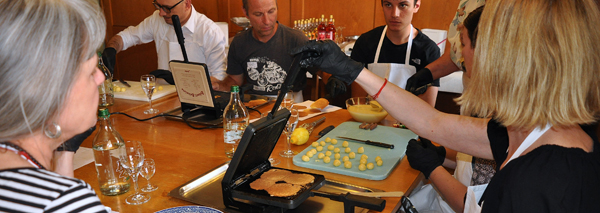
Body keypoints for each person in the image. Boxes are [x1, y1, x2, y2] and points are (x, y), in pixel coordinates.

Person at [292, 0, 600, 211]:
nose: (462, 60)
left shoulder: (542, 183)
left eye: (465, 48)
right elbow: (434, 123)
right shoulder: (529, 130)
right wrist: (353, 70)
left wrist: (433, 167)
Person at [0, 0, 110, 212]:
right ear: (49, 92)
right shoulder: (61, 201)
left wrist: (64, 151)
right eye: (90, 71)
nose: (100, 78)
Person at [407, 6, 486, 213]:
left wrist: (432, 168)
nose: (460, 57)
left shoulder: (501, 118)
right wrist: (442, 155)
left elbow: (473, 206)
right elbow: (470, 162)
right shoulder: (483, 100)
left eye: (463, 44)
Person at [103, 0, 227, 84]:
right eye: (158, 5)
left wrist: (180, 82)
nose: (161, 13)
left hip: (198, 102)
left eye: (167, 8)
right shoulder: (156, 20)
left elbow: (220, 79)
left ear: (187, 3)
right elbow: (127, 36)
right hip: (162, 96)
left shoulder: (209, 32)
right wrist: (111, 49)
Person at [212, 0, 309, 103]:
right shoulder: (239, 42)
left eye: (271, 12)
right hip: (255, 105)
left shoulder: (296, 39)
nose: (266, 21)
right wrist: (219, 86)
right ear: (245, 13)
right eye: (258, 14)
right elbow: (235, 80)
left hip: (291, 104)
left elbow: (322, 72)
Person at [350, 0, 440, 106]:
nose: (394, 14)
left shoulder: (428, 50)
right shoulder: (365, 42)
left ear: (416, 6)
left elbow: (426, 111)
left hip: (408, 122)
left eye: (403, 5)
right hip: (370, 119)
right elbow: (358, 102)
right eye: (388, 5)